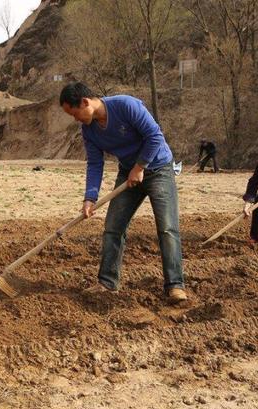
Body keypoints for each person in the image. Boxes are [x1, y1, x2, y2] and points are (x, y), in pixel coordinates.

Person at [59, 82, 187, 303]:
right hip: (128, 173)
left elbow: (155, 136)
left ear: (85, 102)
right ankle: (107, 283)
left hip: (158, 168)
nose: (76, 119)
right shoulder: (89, 130)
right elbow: (95, 163)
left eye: (75, 113)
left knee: (167, 227)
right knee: (113, 227)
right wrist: (90, 197)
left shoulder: (126, 105)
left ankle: (175, 285)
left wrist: (140, 166)